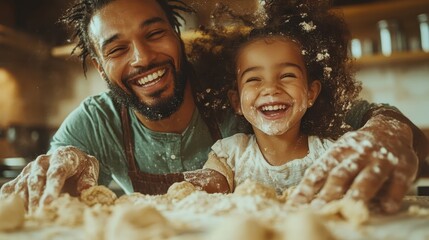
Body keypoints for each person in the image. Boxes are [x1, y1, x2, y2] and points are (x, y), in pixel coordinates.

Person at [0, 0, 427, 214]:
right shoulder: (95, 122)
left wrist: (385, 133)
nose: (142, 58)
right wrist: (57, 167)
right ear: (98, 65)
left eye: (154, 34)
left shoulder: (241, 92)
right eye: (117, 48)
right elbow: (48, 180)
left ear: (175, 34)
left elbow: (385, 118)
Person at [186, 0, 362, 196]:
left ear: (311, 92)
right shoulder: (230, 156)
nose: (270, 89)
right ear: (236, 101)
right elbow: (202, 192)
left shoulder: (332, 154)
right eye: (253, 79)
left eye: (287, 75)